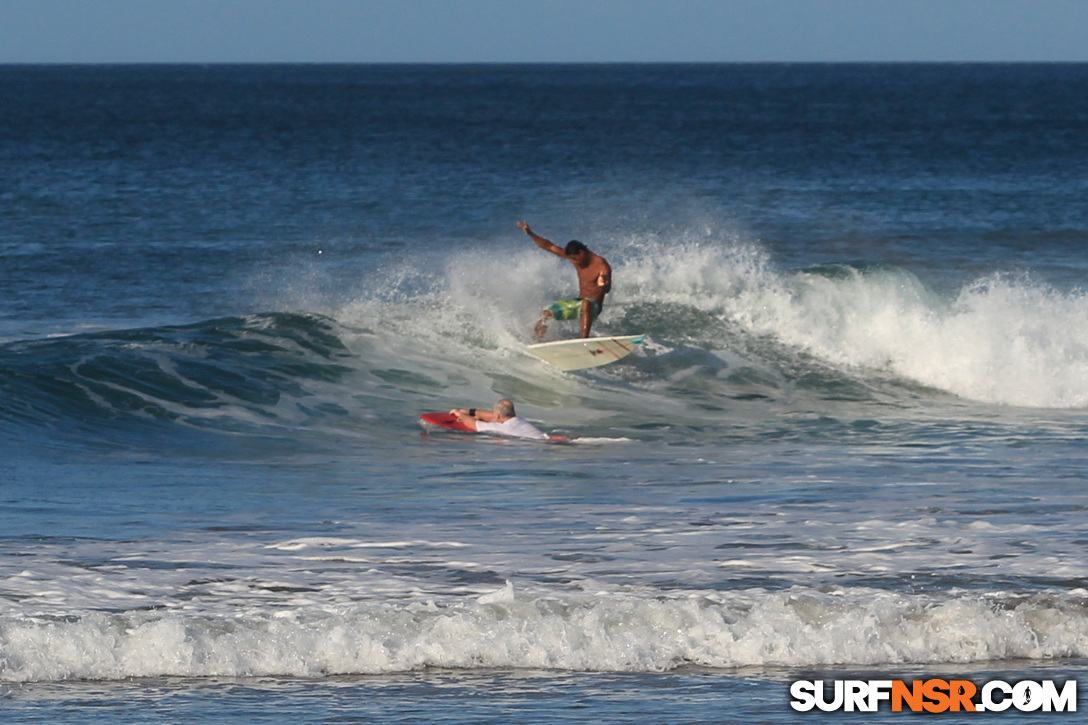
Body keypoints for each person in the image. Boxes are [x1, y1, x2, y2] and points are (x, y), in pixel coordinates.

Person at [518, 221, 611, 340]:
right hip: (579, 302)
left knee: (586, 304)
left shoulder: (601, 264)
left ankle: (584, 341)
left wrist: (603, 285)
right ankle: (536, 342)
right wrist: (530, 233)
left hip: (594, 306)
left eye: (575, 258)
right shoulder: (576, 257)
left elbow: (608, 289)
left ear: (582, 253)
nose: (574, 262)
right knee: (547, 311)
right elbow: (549, 246)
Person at [448, 398, 548, 440]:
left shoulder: (501, 428)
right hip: (547, 439)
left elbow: (471, 423)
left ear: (498, 416)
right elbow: (493, 416)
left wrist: (458, 413)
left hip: (543, 444)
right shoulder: (519, 420)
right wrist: (470, 412)